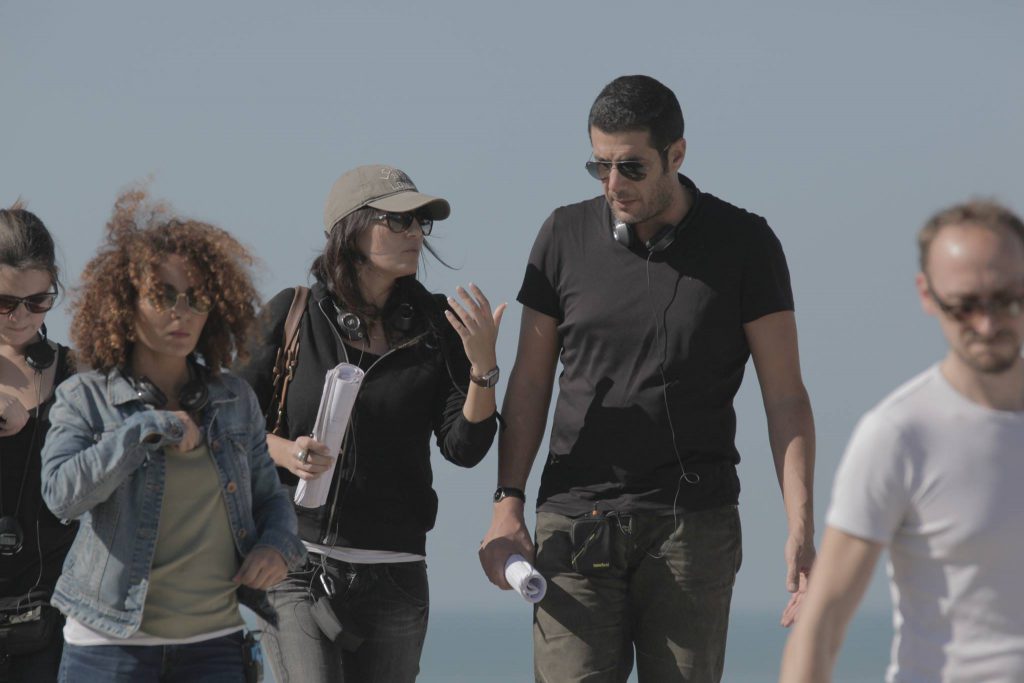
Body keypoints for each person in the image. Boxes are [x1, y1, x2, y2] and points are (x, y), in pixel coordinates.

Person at [478, 74, 816, 682]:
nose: (613, 184)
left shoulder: (747, 243)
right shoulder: (561, 235)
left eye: (631, 167)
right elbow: (529, 385)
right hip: (575, 523)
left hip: (694, 530)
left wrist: (800, 525)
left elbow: (786, 396)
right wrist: (508, 502)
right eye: (599, 166)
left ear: (676, 155)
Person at [236, 164, 503, 683]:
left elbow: (465, 447)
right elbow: (225, 422)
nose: (415, 233)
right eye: (398, 220)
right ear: (351, 230)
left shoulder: (437, 325)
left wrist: (483, 369)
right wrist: (287, 452)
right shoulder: (293, 314)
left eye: (420, 222)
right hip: (294, 561)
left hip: (396, 573)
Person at [39, 189, 305, 683]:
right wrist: (143, 430)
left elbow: (272, 499)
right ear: (125, 304)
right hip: (109, 646)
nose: (181, 312)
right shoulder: (85, 396)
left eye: (196, 298)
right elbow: (61, 497)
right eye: (163, 296)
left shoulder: (234, 399)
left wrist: (276, 546)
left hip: (214, 645)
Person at [780, 200, 1024, 682]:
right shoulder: (901, 435)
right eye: (964, 306)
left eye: (1007, 300)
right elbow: (821, 624)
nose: (987, 324)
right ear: (927, 295)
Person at [0, 202, 76, 682]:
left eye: (38, 301)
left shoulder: (79, 375)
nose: (20, 317)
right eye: (4, 302)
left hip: (52, 619)